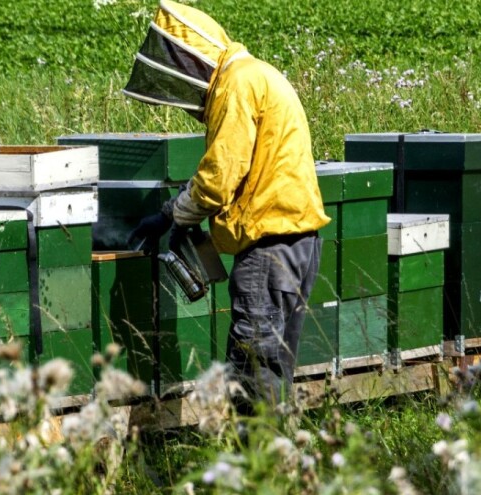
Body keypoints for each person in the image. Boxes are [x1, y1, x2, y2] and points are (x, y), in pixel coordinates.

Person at [125, 0, 330, 408]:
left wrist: (171, 215)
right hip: (298, 243)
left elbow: (219, 179)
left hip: (268, 247)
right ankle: (275, 447)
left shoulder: (236, 84)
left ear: (191, 59)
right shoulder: (257, 74)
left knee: (252, 371)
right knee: (274, 369)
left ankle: (254, 449)